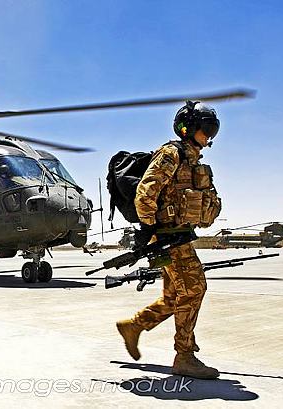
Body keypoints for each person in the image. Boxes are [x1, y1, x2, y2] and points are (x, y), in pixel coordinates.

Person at [116, 100, 223, 379]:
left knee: (175, 295)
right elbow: (145, 192)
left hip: (178, 235)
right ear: (189, 128)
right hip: (168, 237)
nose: (209, 135)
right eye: (206, 129)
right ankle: (184, 356)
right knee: (194, 289)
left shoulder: (191, 159)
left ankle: (133, 326)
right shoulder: (171, 154)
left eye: (213, 129)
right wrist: (148, 228)